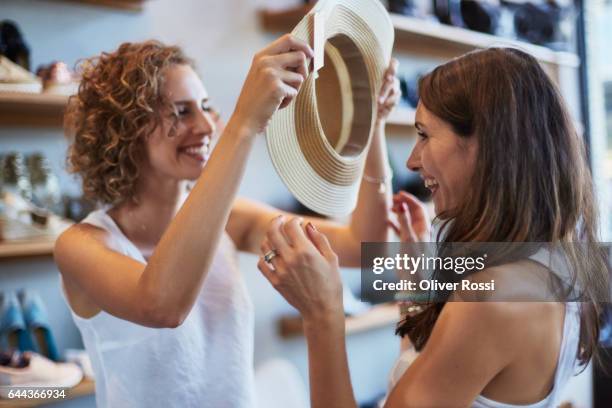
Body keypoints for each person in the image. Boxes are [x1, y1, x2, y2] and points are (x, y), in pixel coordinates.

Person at [54, 37, 400, 407]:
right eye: (181, 111)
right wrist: (245, 121)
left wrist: (371, 124)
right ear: (126, 128)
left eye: (206, 107)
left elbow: (366, 247)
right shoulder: (80, 245)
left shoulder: (231, 220)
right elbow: (162, 305)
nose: (206, 126)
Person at [257, 47, 609, 408]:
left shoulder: (490, 299)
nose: (412, 160)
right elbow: (442, 372)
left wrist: (321, 314)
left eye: (424, 135)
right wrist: (417, 285)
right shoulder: (557, 263)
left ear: (484, 146)